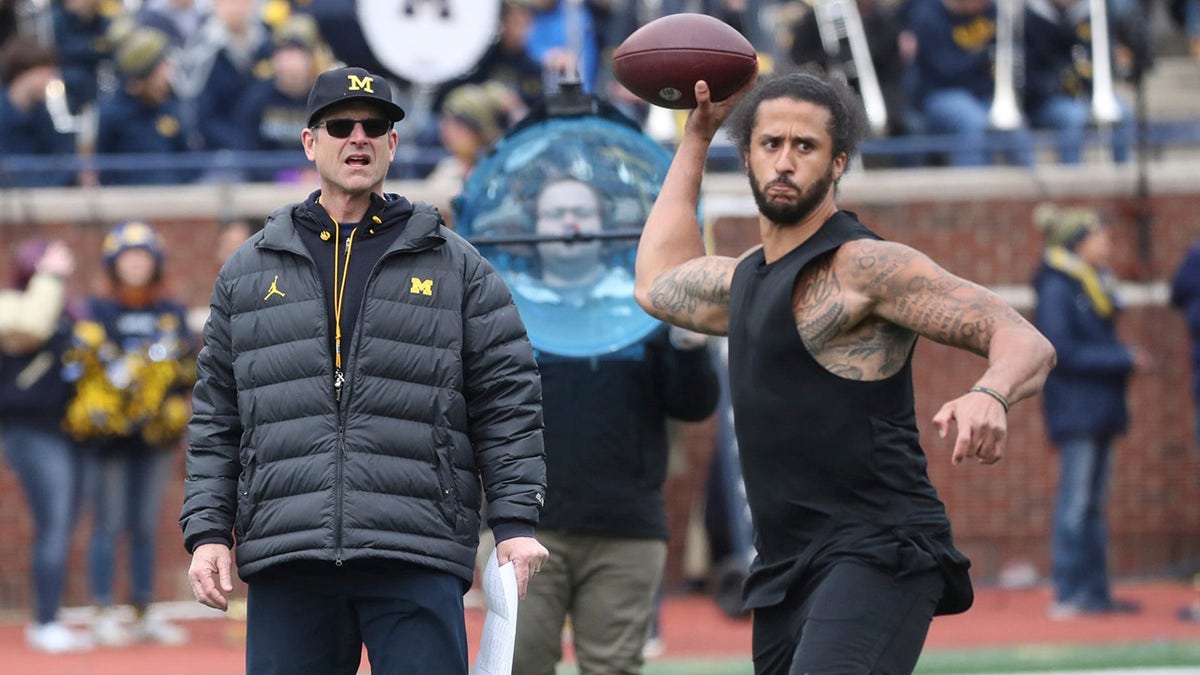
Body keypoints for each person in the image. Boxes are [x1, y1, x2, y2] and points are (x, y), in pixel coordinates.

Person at [632, 71, 1056, 673]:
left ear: (837, 164)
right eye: (770, 144)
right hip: (783, 570)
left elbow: (1025, 338)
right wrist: (697, 137)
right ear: (747, 155)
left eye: (805, 147)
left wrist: (991, 393)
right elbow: (655, 283)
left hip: (879, 551)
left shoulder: (865, 268)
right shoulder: (742, 280)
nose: (784, 161)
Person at [179, 65, 549, 675]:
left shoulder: (457, 264)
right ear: (310, 142)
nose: (359, 138)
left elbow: (507, 396)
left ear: (393, 144)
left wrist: (512, 521)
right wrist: (208, 532)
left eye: (375, 126)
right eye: (340, 125)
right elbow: (217, 416)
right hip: (289, 550)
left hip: (416, 547)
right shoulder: (248, 270)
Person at [511, 175, 721, 675]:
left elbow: (694, 406)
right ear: (533, 226)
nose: (569, 223)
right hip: (523, 529)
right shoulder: (505, 306)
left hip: (624, 529)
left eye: (580, 211)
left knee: (613, 668)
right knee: (518, 664)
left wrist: (688, 344)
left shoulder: (642, 306)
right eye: (554, 213)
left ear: (604, 225)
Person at [62, 220, 195, 646]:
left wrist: (173, 404)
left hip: (154, 439)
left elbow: (189, 373)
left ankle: (142, 610)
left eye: (143, 258)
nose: (136, 265)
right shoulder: (95, 311)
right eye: (127, 258)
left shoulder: (170, 312)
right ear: (112, 264)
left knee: (145, 525)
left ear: (155, 264)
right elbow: (80, 372)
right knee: (108, 522)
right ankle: (102, 611)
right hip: (108, 441)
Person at [1032, 203, 1145, 619]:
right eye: (1101, 235)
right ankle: (1070, 590)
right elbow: (1059, 348)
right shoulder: (1059, 286)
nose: (1108, 244)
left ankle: (1096, 592)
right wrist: (1120, 359)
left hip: (1100, 408)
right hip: (1076, 409)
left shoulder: (1094, 283)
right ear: (1079, 242)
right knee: (1076, 504)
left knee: (1094, 507)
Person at [0, 238, 93, 654]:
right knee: (52, 525)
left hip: (68, 431)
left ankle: (53, 613)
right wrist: (50, 275)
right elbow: (32, 327)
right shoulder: (12, 306)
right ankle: (44, 621)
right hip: (30, 432)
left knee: (65, 525)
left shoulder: (65, 309)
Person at [0, 37, 79, 188]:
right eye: (46, 71)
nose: (53, 78)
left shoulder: (44, 115)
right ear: (23, 74)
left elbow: (63, 164)